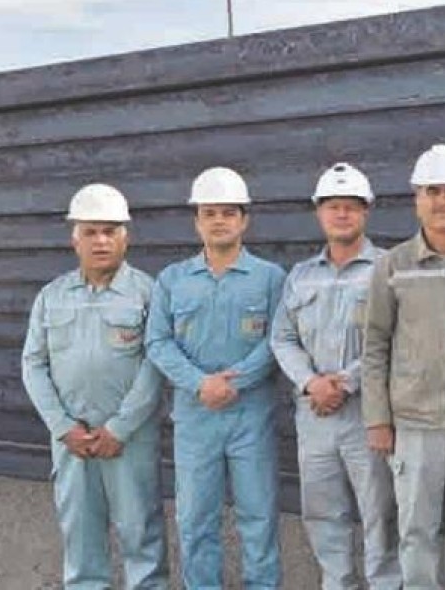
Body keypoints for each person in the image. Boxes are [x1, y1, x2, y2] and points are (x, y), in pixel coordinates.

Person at [361, 144, 445, 590]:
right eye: (433, 191)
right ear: (417, 199)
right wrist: (377, 418)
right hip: (414, 424)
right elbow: (375, 344)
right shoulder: (393, 265)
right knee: (416, 529)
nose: (443, 201)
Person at [21, 183, 168, 589]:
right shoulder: (51, 297)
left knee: (140, 530)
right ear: (75, 239)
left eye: (109, 230)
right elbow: (33, 364)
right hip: (72, 439)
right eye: (91, 231)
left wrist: (119, 428)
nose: (100, 240)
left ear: (126, 237)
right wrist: (62, 426)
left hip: (130, 437)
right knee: (80, 532)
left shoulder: (149, 294)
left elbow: (156, 365)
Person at [146, 167, 286, 589]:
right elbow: (157, 342)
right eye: (210, 213)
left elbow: (279, 340)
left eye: (228, 212)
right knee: (195, 519)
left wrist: (234, 382)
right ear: (197, 221)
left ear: (245, 220)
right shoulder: (172, 280)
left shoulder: (270, 278)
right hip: (195, 419)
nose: (219, 220)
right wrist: (199, 383)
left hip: (252, 418)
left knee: (258, 517)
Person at [270, 162, 401, 589]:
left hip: (369, 414)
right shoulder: (301, 276)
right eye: (333, 206)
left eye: (351, 206)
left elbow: (397, 338)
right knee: (323, 512)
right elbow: (282, 337)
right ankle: (337, 582)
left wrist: (344, 382)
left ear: (366, 211)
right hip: (315, 415)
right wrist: (311, 383)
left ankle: (385, 584)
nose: (341, 213)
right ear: (319, 212)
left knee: (380, 511)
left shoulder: (388, 268)